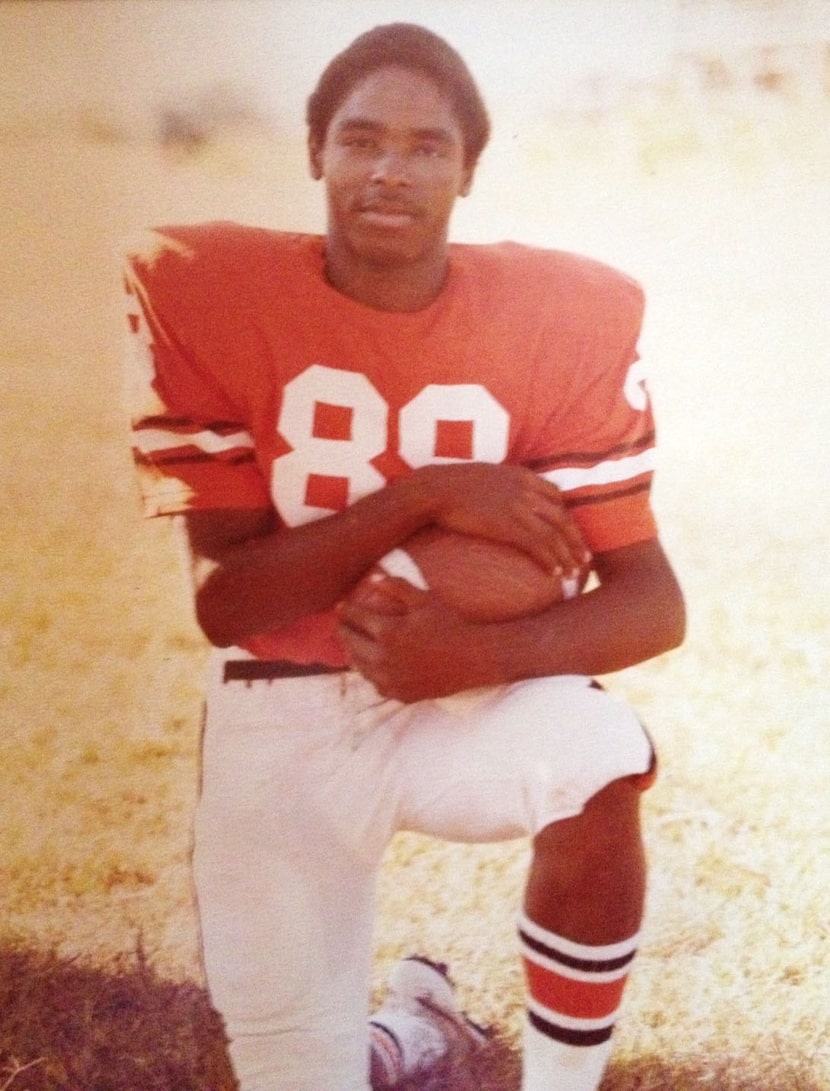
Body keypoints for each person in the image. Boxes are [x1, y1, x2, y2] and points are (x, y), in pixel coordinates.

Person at [122, 22, 685, 1091]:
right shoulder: (206, 288)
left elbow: (652, 605)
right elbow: (224, 599)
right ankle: (414, 1031)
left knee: (599, 753)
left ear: (467, 171)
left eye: (427, 145)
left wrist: (473, 657)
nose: (390, 168)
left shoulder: (561, 315)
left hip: (460, 700)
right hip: (278, 700)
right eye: (360, 138)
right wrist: (423, 497)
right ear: (314, 154)